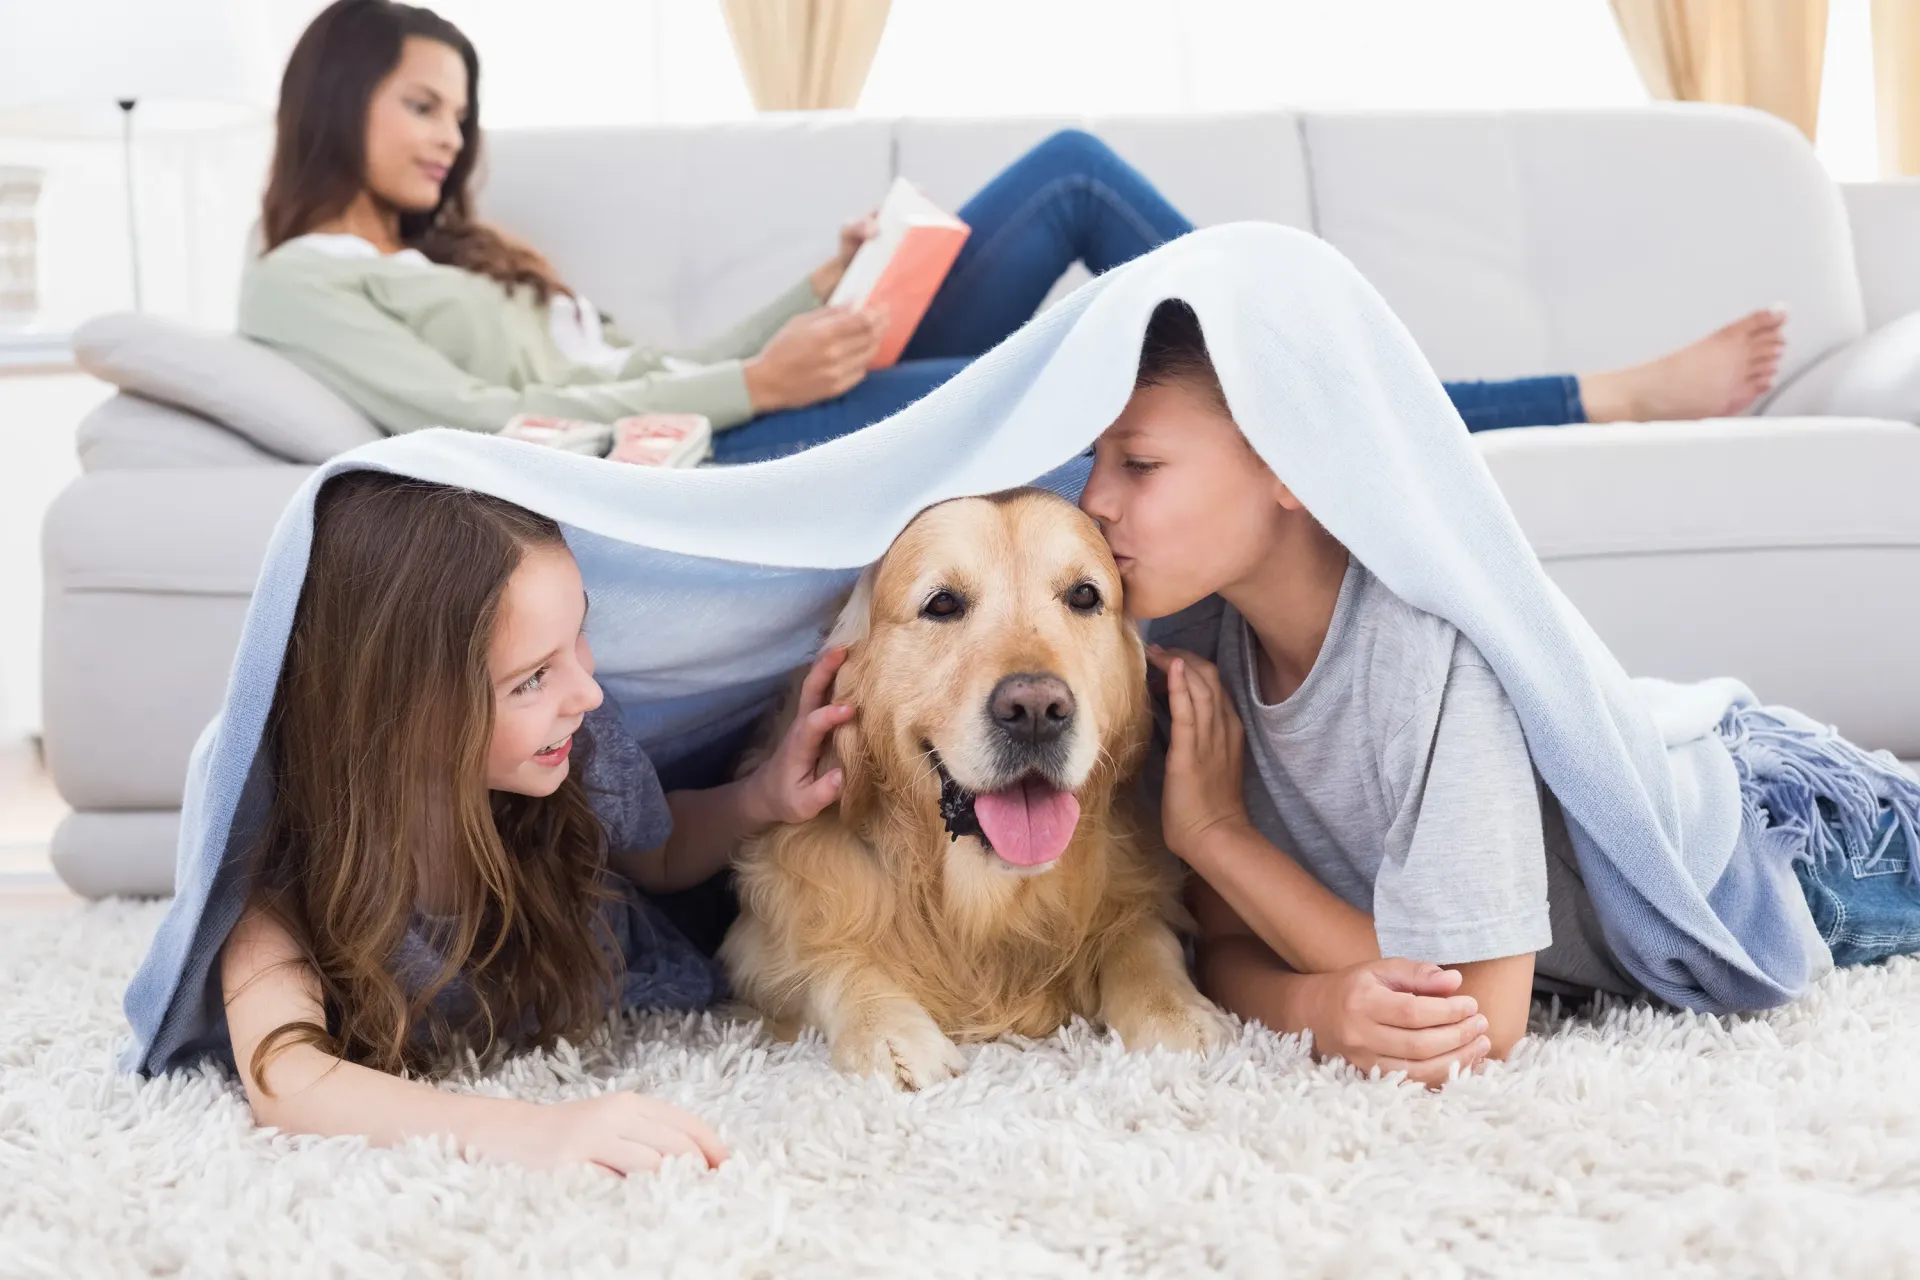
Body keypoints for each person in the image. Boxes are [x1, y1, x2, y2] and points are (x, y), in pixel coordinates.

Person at [242, 0, 1790, 467]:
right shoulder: (296, 290)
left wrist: (823, 289)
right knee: (1138, 365)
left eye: (458, 111)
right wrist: (759, 394)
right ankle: (1567, 401)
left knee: (1067, 181)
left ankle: (1347, 359)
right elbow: (480, 424)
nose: (450, 138)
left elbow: (670, 360)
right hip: (739, 458)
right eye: (423, 105)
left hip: (755, 402)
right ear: (337, 99)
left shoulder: (451, 260)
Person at [1075, 299, 1920, 1087]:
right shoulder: (1187, 643)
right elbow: (1224, 944)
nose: (1094, 501)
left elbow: (1478, 1015)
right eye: (1096, 460)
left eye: (1139, 463)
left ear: (1292, 461)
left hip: (1782, 851)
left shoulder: (1425, 646)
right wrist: (1314, 1008)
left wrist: (1219, 835)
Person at [218, 470, 852, 1172]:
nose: (587, 690)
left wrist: (759, 798)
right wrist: (526, 1130)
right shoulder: (286, 870)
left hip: (632, 997)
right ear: (404, 714)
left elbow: (661, 856)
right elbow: (287, 1082)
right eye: (530, 679)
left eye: (579, 636)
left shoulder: (578, 744)